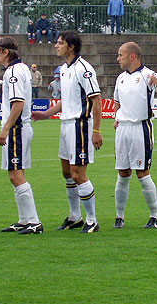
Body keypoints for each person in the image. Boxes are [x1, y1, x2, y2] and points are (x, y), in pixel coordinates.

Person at [31, 31, 103, 233]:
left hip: (80, 125)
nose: (56, 45)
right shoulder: (64, 69)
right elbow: (67, 100)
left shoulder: (84, 68)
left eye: (60, 43)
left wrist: (96, 130)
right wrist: (46, 114)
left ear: (71, 46)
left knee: (78, 174)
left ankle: (92, 220)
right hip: (66, 124)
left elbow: (96, 100)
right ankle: (75, 216)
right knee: (67, 173)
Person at [112, 42, 157, 229]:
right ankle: (119, 217)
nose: (118, 59)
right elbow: (117, 101)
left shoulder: (146, 75)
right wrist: (116, 118)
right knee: (123, 173)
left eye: (120, 55)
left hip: (140, 128)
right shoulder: (120, 78)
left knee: (142, 173)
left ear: (132, 56)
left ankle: (155, 216)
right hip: (123, 129)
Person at [0, 36, 43, 234]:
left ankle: (34, 222)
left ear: (6, 52)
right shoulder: (22, 68)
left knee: (16, 175)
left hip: (17, 129)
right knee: (16, 174)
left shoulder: (13, 72)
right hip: (21, 128)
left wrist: (6, 128)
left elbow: (18, 102)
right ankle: (24, 220)